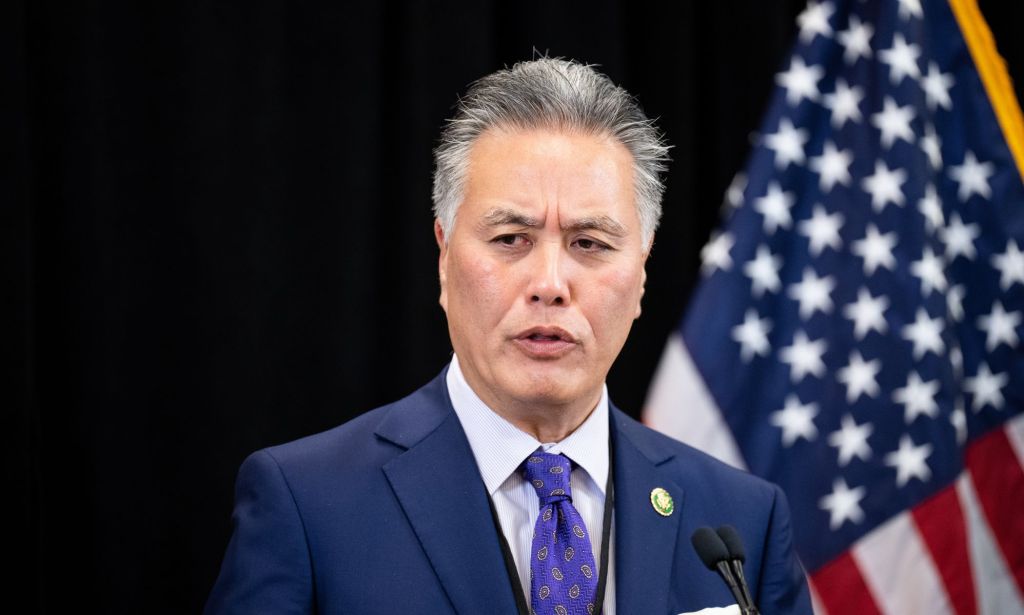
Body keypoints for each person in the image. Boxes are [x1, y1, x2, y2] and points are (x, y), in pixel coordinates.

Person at [205, 58, 812, 615]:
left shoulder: (742, 524)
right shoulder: (309, 506)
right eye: (510, 239)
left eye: (590, 244)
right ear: (444, 258)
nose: (550, 284)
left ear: (642, 273)